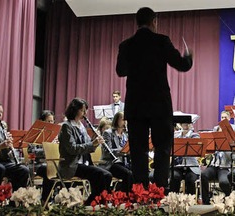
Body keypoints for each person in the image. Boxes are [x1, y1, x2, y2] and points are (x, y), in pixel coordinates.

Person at [116, 7, 193, 189]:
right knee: (162, 148)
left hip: (136, 106)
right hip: (159, 105)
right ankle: (159, 190)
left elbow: (121, 71)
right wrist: (189, 58)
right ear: (154, 21)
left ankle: (140, 191)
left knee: (138, 151)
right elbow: (181, 65)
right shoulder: (161, 41)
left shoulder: (126, 45)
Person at [37, 98, 112, 205]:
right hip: (71, 165)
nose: (85, 113)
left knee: (106, 176)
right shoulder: (67, 126)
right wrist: (92, 144)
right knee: (102, 175)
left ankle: (96, 202)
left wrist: (95, 142)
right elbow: (72, 149)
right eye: (82, 110)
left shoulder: (81, 126)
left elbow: (88, 146)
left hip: (84, 163)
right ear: (75, 110)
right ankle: (91, 203)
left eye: (85, 110)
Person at [100, 112, 133, 192]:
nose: (125, 121)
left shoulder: (125, 135)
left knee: (136, 172)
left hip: (122, 163)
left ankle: (130, 194)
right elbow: (107, 151)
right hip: (110, 163)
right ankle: (124, 196)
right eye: (122, 119)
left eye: (125, 119)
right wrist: (122, 151)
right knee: (128, 174)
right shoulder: (108, 133)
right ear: (116, 120)